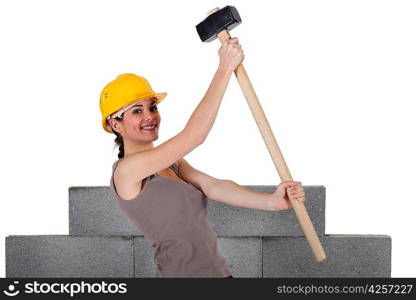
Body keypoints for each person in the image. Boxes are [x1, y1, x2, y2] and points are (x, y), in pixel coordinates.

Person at [99, 37, 305, 278]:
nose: (150, 116)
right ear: (115, 124)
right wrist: (224, 68)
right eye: (137, 111)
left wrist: (271, 202)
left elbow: (214, 186)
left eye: (152, 107)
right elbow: (194, 136)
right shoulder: (126, 172)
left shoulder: (173, 163)